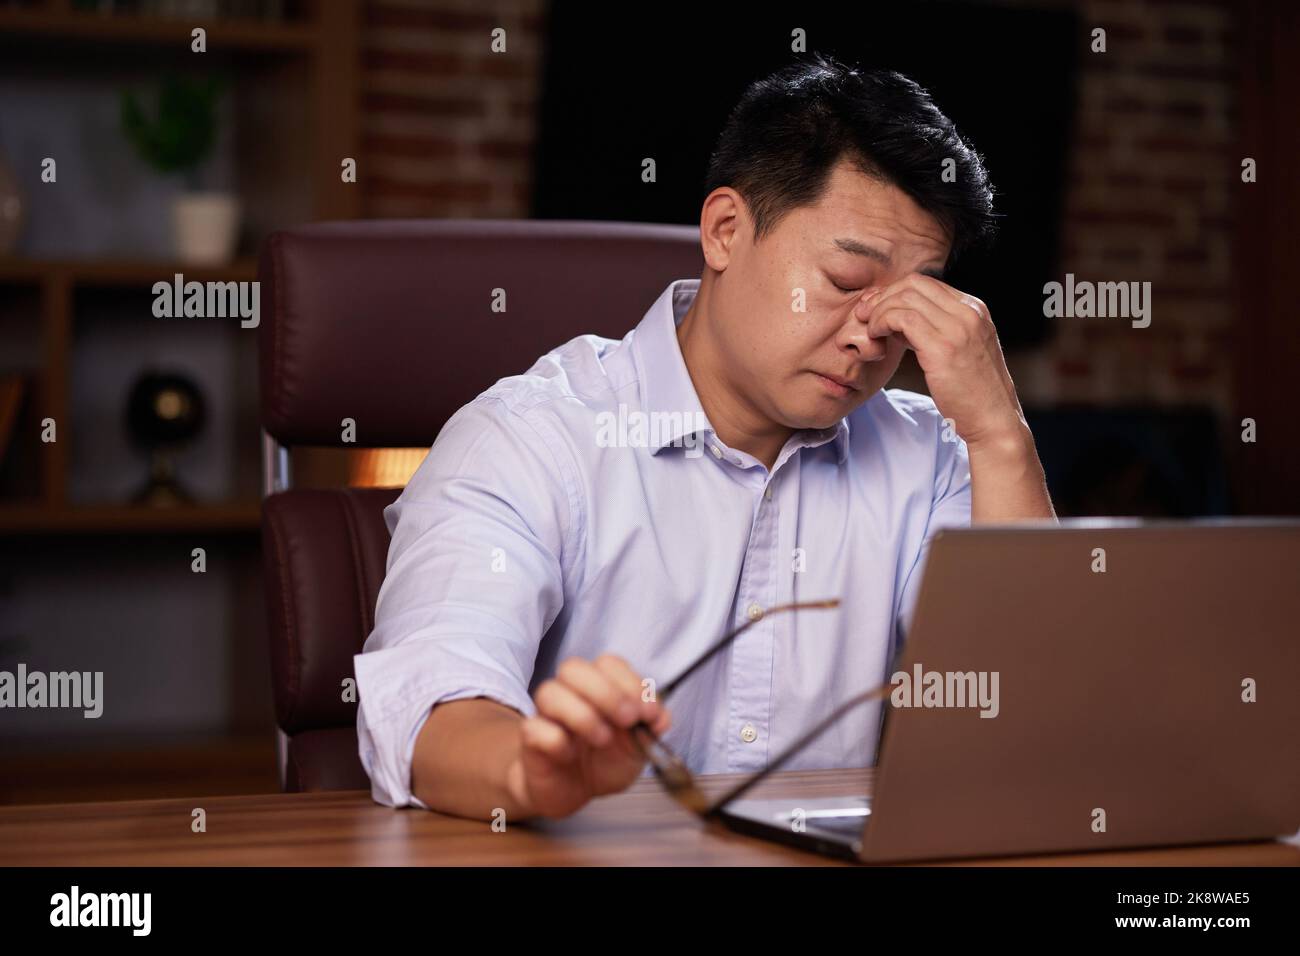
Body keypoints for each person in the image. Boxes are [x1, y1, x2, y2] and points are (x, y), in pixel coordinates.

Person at [355, 53, 1056, 820]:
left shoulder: (933, 455)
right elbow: (430, 708)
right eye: (847, 284)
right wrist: (532, 772)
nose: (872, 337)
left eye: (910, 305)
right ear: (725, 231)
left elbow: (1026, 725)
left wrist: (1000, 434)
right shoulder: (532, 437)